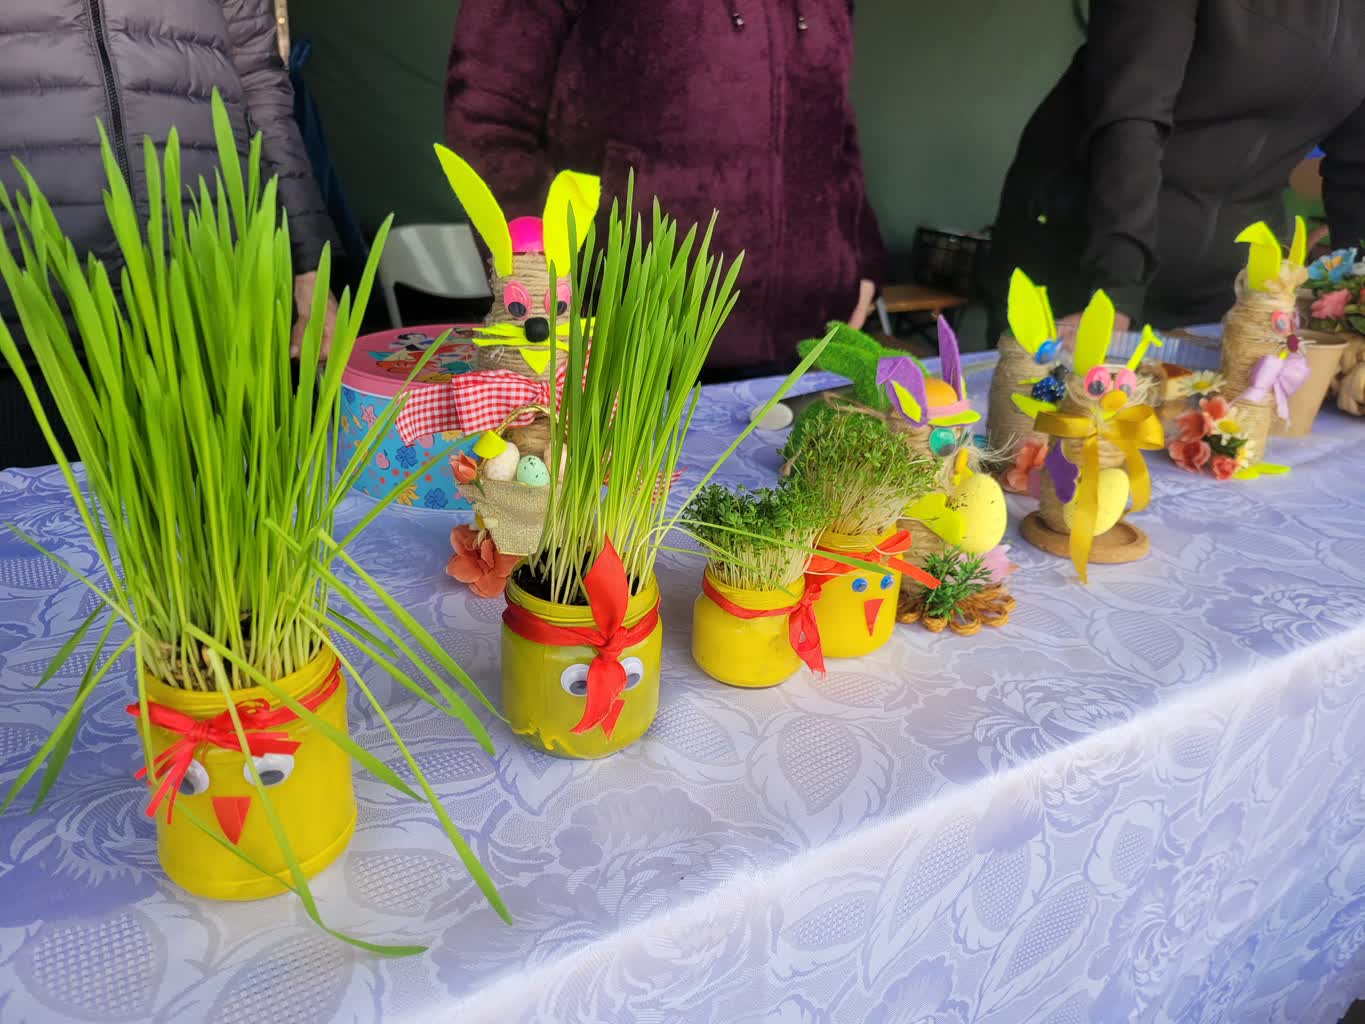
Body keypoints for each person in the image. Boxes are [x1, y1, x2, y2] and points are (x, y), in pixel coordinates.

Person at [443, 1, 884, 381]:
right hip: (624, 353)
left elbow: (836, 124)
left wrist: (861, 259)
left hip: (811, 346)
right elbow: (487, 116)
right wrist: (543, 286)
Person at [0, 0, 338, 468]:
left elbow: (260, 84)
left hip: (208, 303)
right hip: (32, 316)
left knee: (227, 503)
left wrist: (308, 263)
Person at [982, 0, 1365, 345]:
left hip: (1226, 285)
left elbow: (1356, 170)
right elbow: (1132, 118)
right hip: (1087, 257)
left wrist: (1357, 298)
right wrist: (1117, 289)